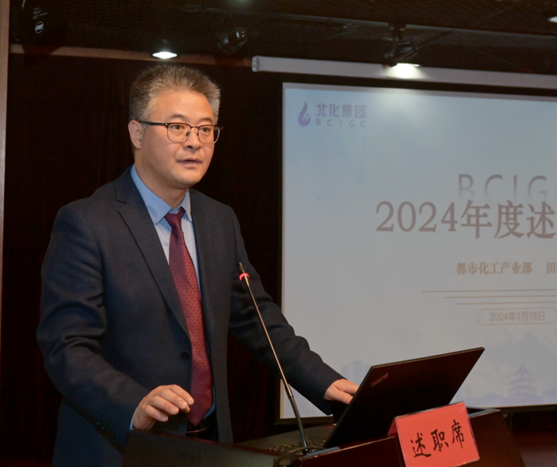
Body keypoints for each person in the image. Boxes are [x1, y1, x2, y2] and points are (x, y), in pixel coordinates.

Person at [37, 64, 358, 467]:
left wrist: (325, 382)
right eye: (177, 127)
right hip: (120, 448)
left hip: (209, 445)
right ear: (137, 133)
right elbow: (66, 346)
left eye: (205, 129)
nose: (194, 142)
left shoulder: (219, 219)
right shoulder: (87, 223)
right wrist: (133, 403)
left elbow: (257, 319)